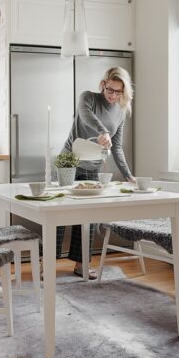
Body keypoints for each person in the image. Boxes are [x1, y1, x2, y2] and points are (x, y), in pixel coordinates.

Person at [56, 66, 135, 279]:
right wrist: (104, 131)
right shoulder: (88, 98)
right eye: (110, 89)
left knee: (87, 218)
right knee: (58, 215)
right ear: (103, 84)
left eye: (118, 92)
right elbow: (85, 115)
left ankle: (81, 265)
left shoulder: (121, 111)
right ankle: (48, 264)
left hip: (92, 166)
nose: (112, 95)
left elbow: (116, 147)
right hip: (68, 160)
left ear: (124, 92)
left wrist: (128, 176)